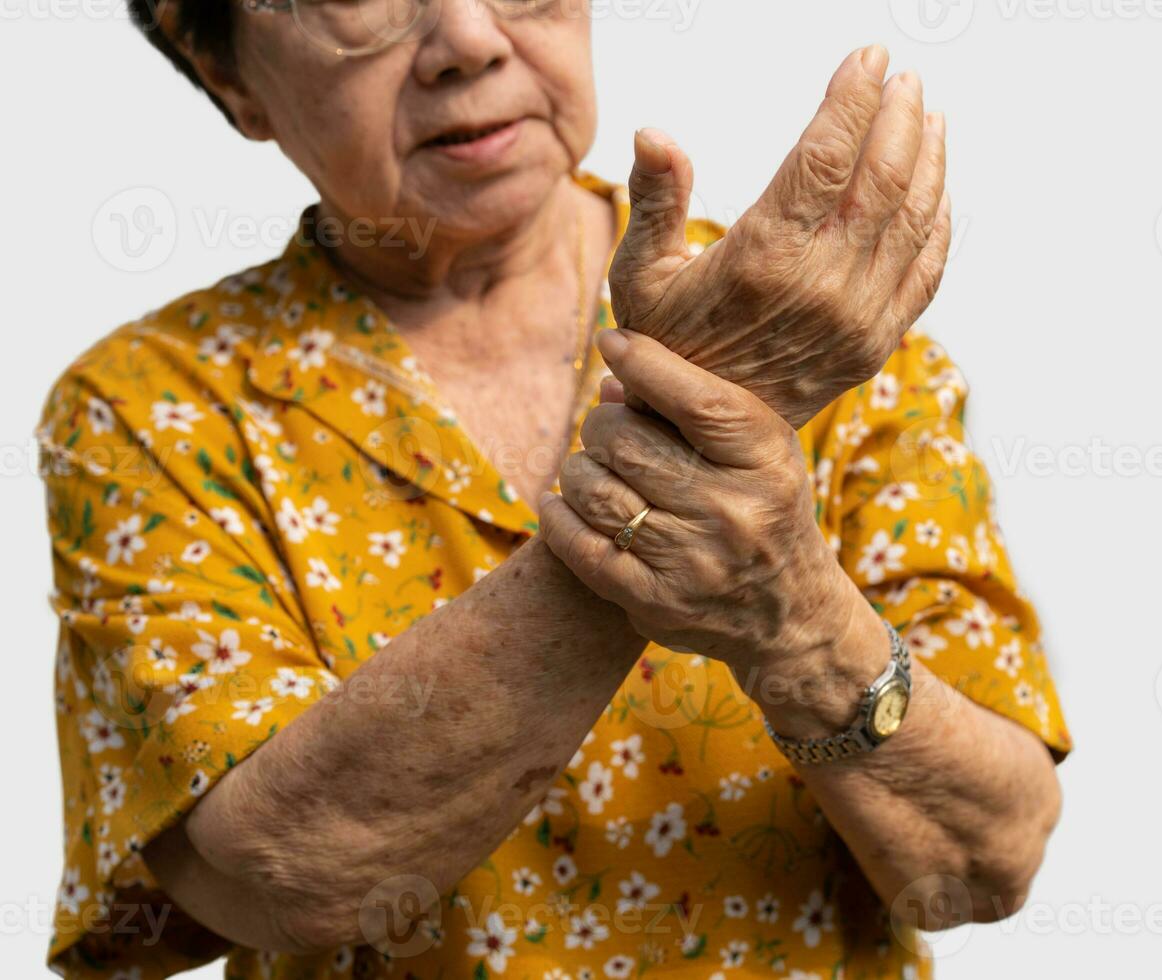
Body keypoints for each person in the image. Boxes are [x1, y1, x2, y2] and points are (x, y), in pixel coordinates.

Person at [39, 2, 1071, 976]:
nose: (469, 40)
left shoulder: (806, 327)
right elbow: (287, 866)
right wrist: (675, 472)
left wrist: (797, 616)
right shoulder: (151, 405)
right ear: (228, 72)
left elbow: (982, 860)